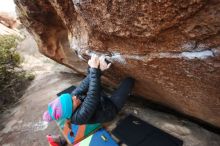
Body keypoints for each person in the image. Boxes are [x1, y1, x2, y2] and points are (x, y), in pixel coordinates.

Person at [43, 55, 134, 124]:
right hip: (110, 109)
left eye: (70, 97)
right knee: (129, 81)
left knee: (91, 70)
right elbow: (92, 97)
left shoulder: (72, 99)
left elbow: (83, 85)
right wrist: (95, 70)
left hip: (100, 100)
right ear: (70, 110)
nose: (74, 97)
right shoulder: (79, 118)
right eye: (72, 101)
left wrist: (99, 69)